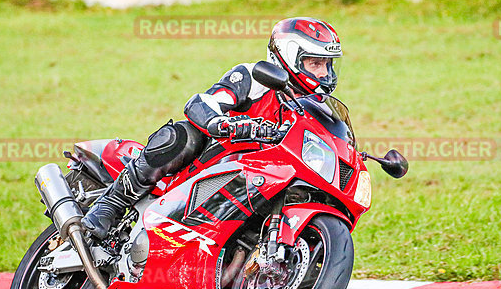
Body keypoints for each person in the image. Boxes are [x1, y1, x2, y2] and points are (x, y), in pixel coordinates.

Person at [81, 17, 342, 241]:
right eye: (315, 64)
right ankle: (109, 205)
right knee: (183, 137)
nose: (324, 73)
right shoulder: (255, 78)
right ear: (288, 56)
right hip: (209, 165)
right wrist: (222, 123)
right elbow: (203, 102)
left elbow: (330, 143)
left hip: (260, 180)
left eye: (327, 65)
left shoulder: (314, 107)